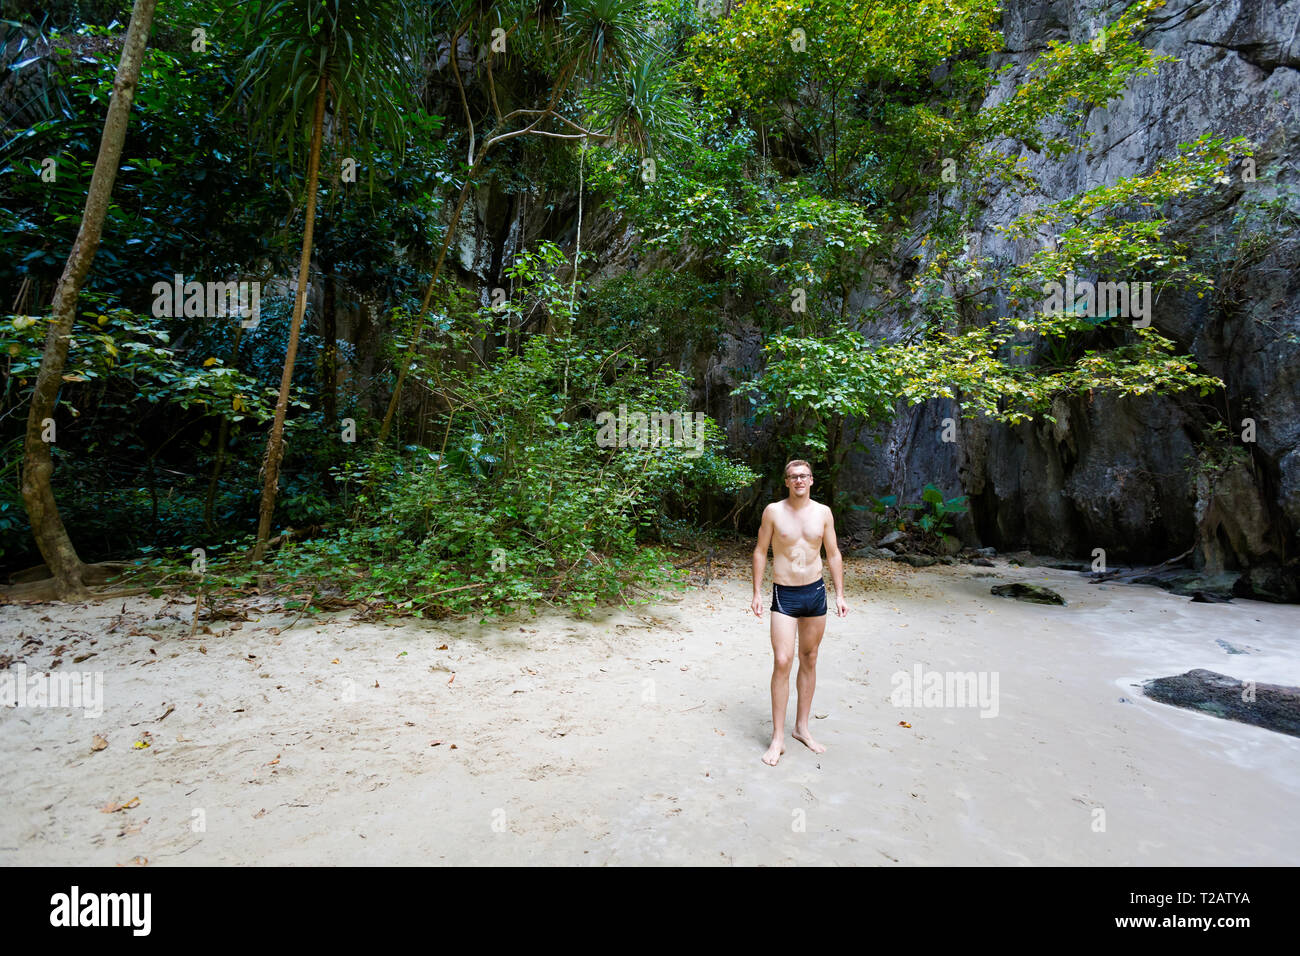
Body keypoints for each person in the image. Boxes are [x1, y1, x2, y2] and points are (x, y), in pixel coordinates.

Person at [751, 460, 847, 766]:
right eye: (793, 476)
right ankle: (777, 737)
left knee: (810, 657)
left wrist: (841, 594)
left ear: (812, 480)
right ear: (786, 482)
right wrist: (756, 592)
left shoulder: (823, 513)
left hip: (815, 592)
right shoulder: (773, 512)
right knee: (782, 660)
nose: (798, 480)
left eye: (803, 475)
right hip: (785, 593)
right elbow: (759, 550)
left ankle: (801, 727)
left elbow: (832, 553)